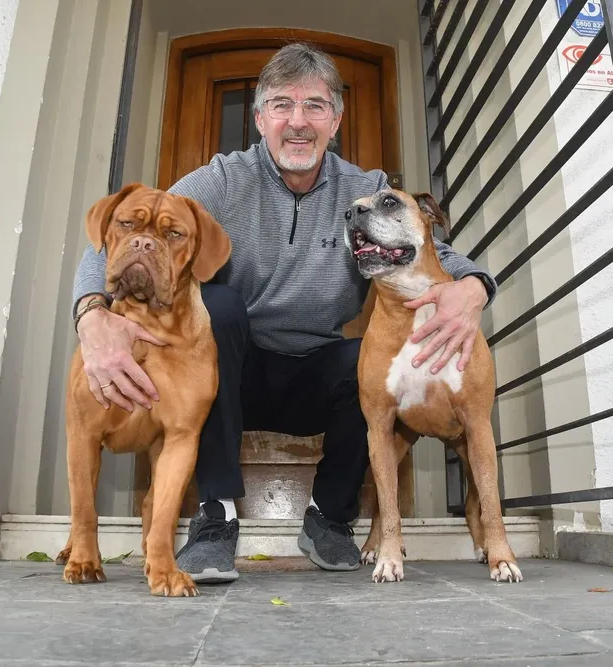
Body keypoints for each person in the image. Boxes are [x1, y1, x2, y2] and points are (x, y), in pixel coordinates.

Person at [70, 43, 497, 582]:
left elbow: (438, 255)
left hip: (315, 372)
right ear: (259, 119)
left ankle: (329, 517)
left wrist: (476, 286)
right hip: (233, 373)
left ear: (336, 119)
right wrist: (92, 317)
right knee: (218, 305)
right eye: (281, 105)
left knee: (361, 359)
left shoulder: (366, 191)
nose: (298, 122)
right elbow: (119, 237)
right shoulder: (222, 180)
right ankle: (216, 516)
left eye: (315, 106)